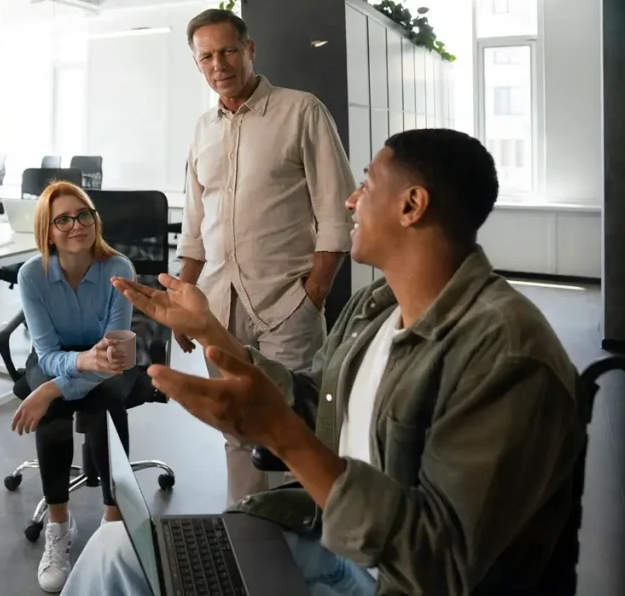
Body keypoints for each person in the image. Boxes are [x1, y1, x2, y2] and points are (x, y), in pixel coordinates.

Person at [64, 129, 583, 596]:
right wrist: (212, 333)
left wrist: (283, 435)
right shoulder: (373, 309)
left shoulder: (505, 356)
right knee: (116, 549)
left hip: (389, 579)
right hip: (326, 536)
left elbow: (440, 568)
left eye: (367, 185)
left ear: (412, 205)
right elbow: (316, 401)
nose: (351, 201)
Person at [179, 8, 357, 504]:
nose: (220, 64)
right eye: (208, 56)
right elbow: (194, 227)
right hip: (219, 309)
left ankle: (302, 553)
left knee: (294, 435)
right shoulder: (201, 130)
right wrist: (183, 301)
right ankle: (246, 530)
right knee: (235, 427)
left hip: (287, 308)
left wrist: (313, 295)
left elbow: (336, 215)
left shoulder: (302, 111)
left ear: (250, 49)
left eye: (229, 50)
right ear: (198, 64)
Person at [10, 181, 137, 593]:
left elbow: (114, 352)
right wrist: (75, 367)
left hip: (108, 360)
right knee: (53, 413)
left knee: (104, 403)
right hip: (60, 357)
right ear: (47, 231)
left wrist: (49, 390)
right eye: (62, 219)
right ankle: (59, 526)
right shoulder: (32, 275)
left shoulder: (119, 269)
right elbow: (46, 355)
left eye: (84, 215)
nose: (76, 225)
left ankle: (114, 521)